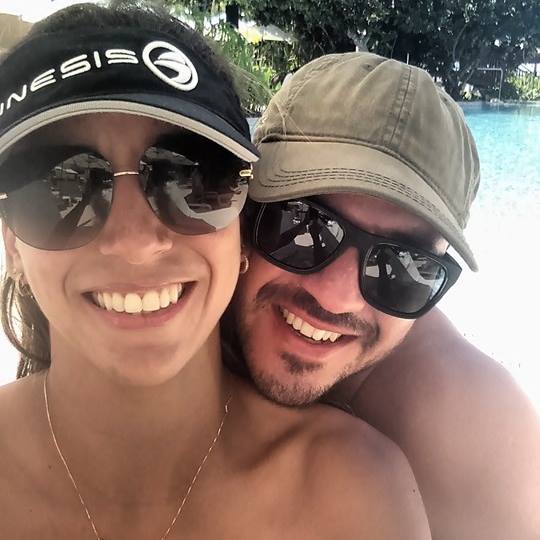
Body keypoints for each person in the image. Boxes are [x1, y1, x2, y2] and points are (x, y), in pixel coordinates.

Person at [0, 4, 431, 539]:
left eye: (191, 179)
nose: (137, 244)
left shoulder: (355, 493)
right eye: (58, 187)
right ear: (11, 243)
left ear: (243, 226)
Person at [228, 52, 540, 539]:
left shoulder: (472, 435)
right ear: (244, 204)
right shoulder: (154, 301)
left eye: (402, 264)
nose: (338, 298)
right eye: (304, 225)